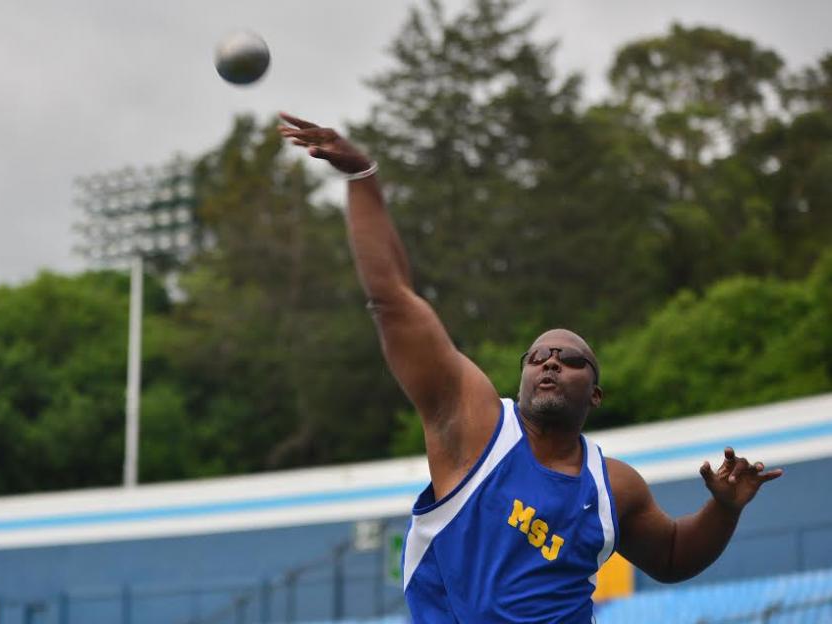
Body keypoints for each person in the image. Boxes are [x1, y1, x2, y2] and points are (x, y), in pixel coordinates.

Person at [278, 113, 783, 624]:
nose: (551, 364)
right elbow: (392, 300)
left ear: (595, 394)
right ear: (521, 374)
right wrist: (364, 179)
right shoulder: (473, 423)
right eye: (538, 356)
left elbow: (673, 557)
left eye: (570, 360)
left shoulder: (614, 487)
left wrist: (724, 509)